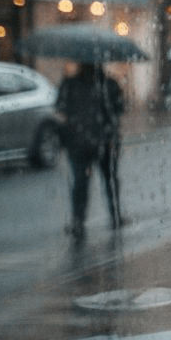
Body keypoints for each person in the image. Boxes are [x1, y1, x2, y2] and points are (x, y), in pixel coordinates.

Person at [56, 63, 125, 239]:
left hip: (80, 142)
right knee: (109, 179)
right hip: (104, 141)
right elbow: (119, 110)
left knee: (81, 182)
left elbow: (61, 109)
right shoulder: (109, 84)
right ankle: (115, 216)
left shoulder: (70, 84)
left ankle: (78, 220)